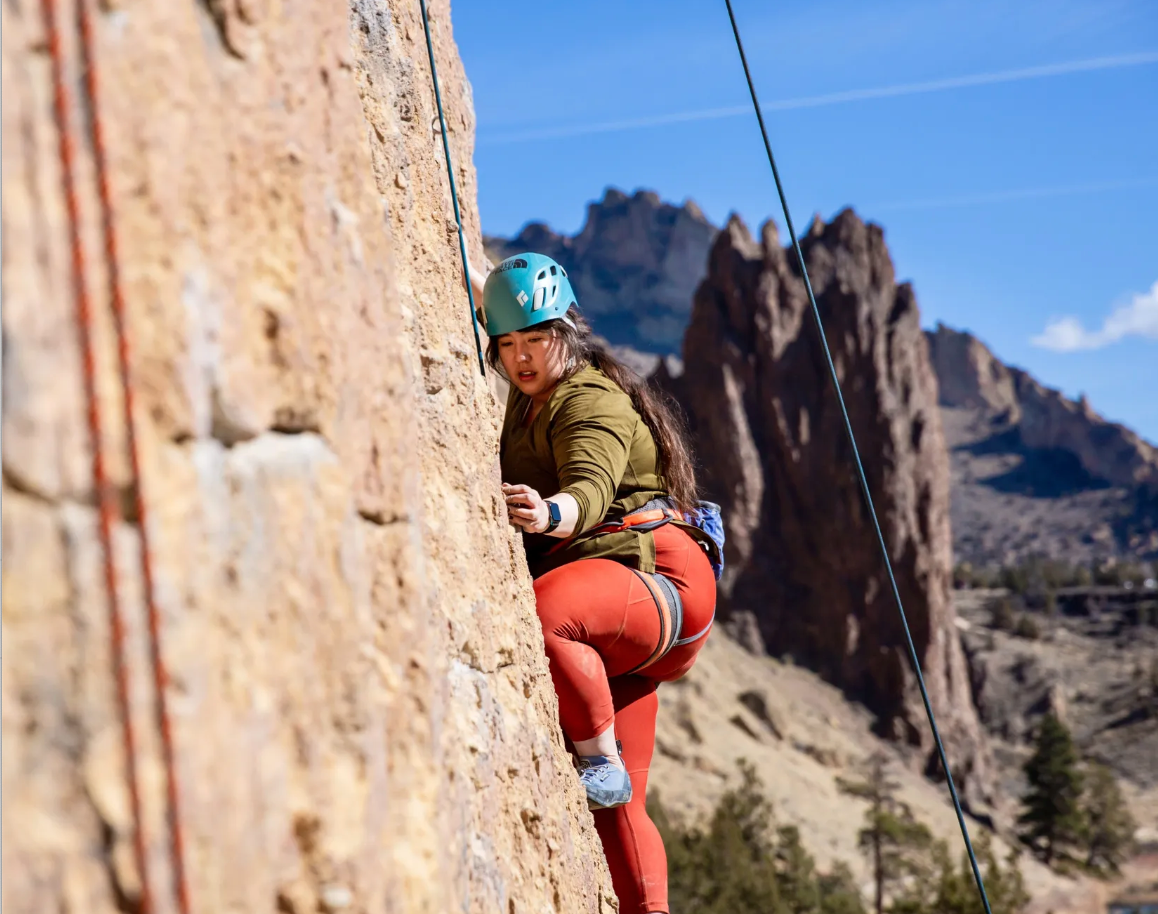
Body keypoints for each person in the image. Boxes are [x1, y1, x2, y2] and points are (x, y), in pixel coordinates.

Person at [469, 252, 719, 914]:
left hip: (657, 578)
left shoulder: (590, 400)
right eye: (508, 344)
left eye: (537, 339)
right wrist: (478, 271)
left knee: (544, 617)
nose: (520, 358)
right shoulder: (536, 393)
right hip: (620, 610)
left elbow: (591, 481)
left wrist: (551, 514)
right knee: (619, 816)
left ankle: (596, 758)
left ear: (569, 333)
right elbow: (508, 304)